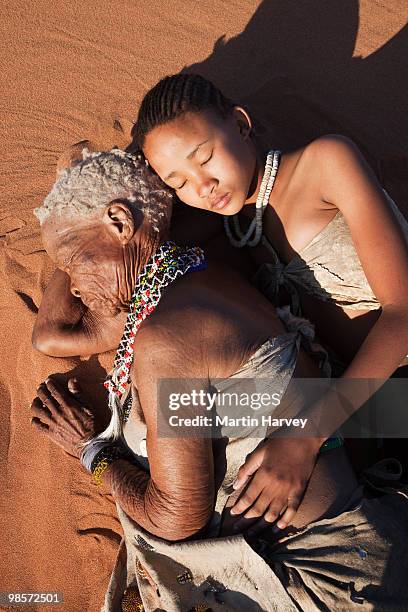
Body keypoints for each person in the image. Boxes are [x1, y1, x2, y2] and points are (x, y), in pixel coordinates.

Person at [31, 149, 408, 611]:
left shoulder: (170, 336)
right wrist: (67, 198)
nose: (71, 285)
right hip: (355, 543)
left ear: (120, 223)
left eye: (72, 259)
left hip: (324, 582)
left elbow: (175, 517)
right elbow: (52, 335)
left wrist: (93, 452)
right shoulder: (197, 275)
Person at [128, 71, 408, 511]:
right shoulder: (234, 222)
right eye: (177, 182)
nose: (202, 187)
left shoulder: (327, 162)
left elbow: (404, 315)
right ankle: (109, 460)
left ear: (241, 123)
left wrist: (306, 436)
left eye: (205, 157)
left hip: (388, 387)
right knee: (177, 410)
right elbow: (135, 249)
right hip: (362, 406)